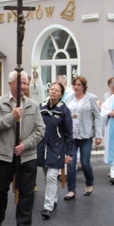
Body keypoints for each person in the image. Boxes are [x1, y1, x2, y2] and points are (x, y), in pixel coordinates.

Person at [0, 70, 45, 226]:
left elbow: (40, 129)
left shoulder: (33, 105)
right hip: (4, 155)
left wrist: (25, 145)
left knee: (27, 191)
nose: (25, 86)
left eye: (26, 83)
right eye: (21, 83)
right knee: (1, 190)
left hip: (27, 155)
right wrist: (11, 117)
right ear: (11, 84)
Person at [36, 82, 74, 218]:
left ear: (61, 95)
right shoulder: (41, 107)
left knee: (52, 176)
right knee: (47, 176)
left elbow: (69, 133)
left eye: (56, 91)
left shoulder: (64, 111)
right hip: (43, 146)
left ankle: (48, 207)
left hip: (57, 147)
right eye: (51, 89)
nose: (53, 92)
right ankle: (54, 197)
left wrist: (69, 153)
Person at [64, 75, 102, 198]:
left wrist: (98, 135)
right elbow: (64, 115)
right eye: (75, 84)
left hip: (86, 135)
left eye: (79, 85)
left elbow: (97, 116)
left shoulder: (91, 98)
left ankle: (89, 183)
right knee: (71, 162)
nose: (76, 87)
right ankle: (71, 190)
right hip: (72, 135)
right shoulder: (69, 99)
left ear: (84, 86)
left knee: (85, 162)